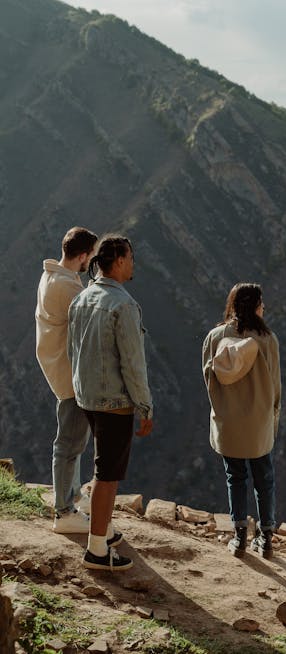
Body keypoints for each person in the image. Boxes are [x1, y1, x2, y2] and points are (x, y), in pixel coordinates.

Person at [67, 235, 153, 571]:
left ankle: (105, 528)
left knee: (102, 467)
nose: (133, 263)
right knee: (108, 474)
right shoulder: (123, 305)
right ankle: (97, 550)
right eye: (130, 257)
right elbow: (133, 364)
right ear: (117, 260)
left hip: (86, 396)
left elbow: (74, 350)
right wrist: (145, 407)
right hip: (115, 401)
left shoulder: (82, 298)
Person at [202, 283, 281, 560]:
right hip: (258, 421)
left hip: (228, 422)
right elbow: (275, 384)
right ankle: (266, 537)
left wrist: (221, 409)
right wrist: (273, 417)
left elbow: (208, 379)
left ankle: (239, 537)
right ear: (256, 306)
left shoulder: (215, 337)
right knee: (264, 479)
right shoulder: (267, 339)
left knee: (235, 477)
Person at [35, 226, 98, 533]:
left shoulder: (52, 276)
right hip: (70, 373)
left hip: (58, 367)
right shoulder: (67, 287)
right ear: (84, 255)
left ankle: (71, 495)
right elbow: (92, 314)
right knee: (69, 444)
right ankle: (64, 512)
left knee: (74, 440)